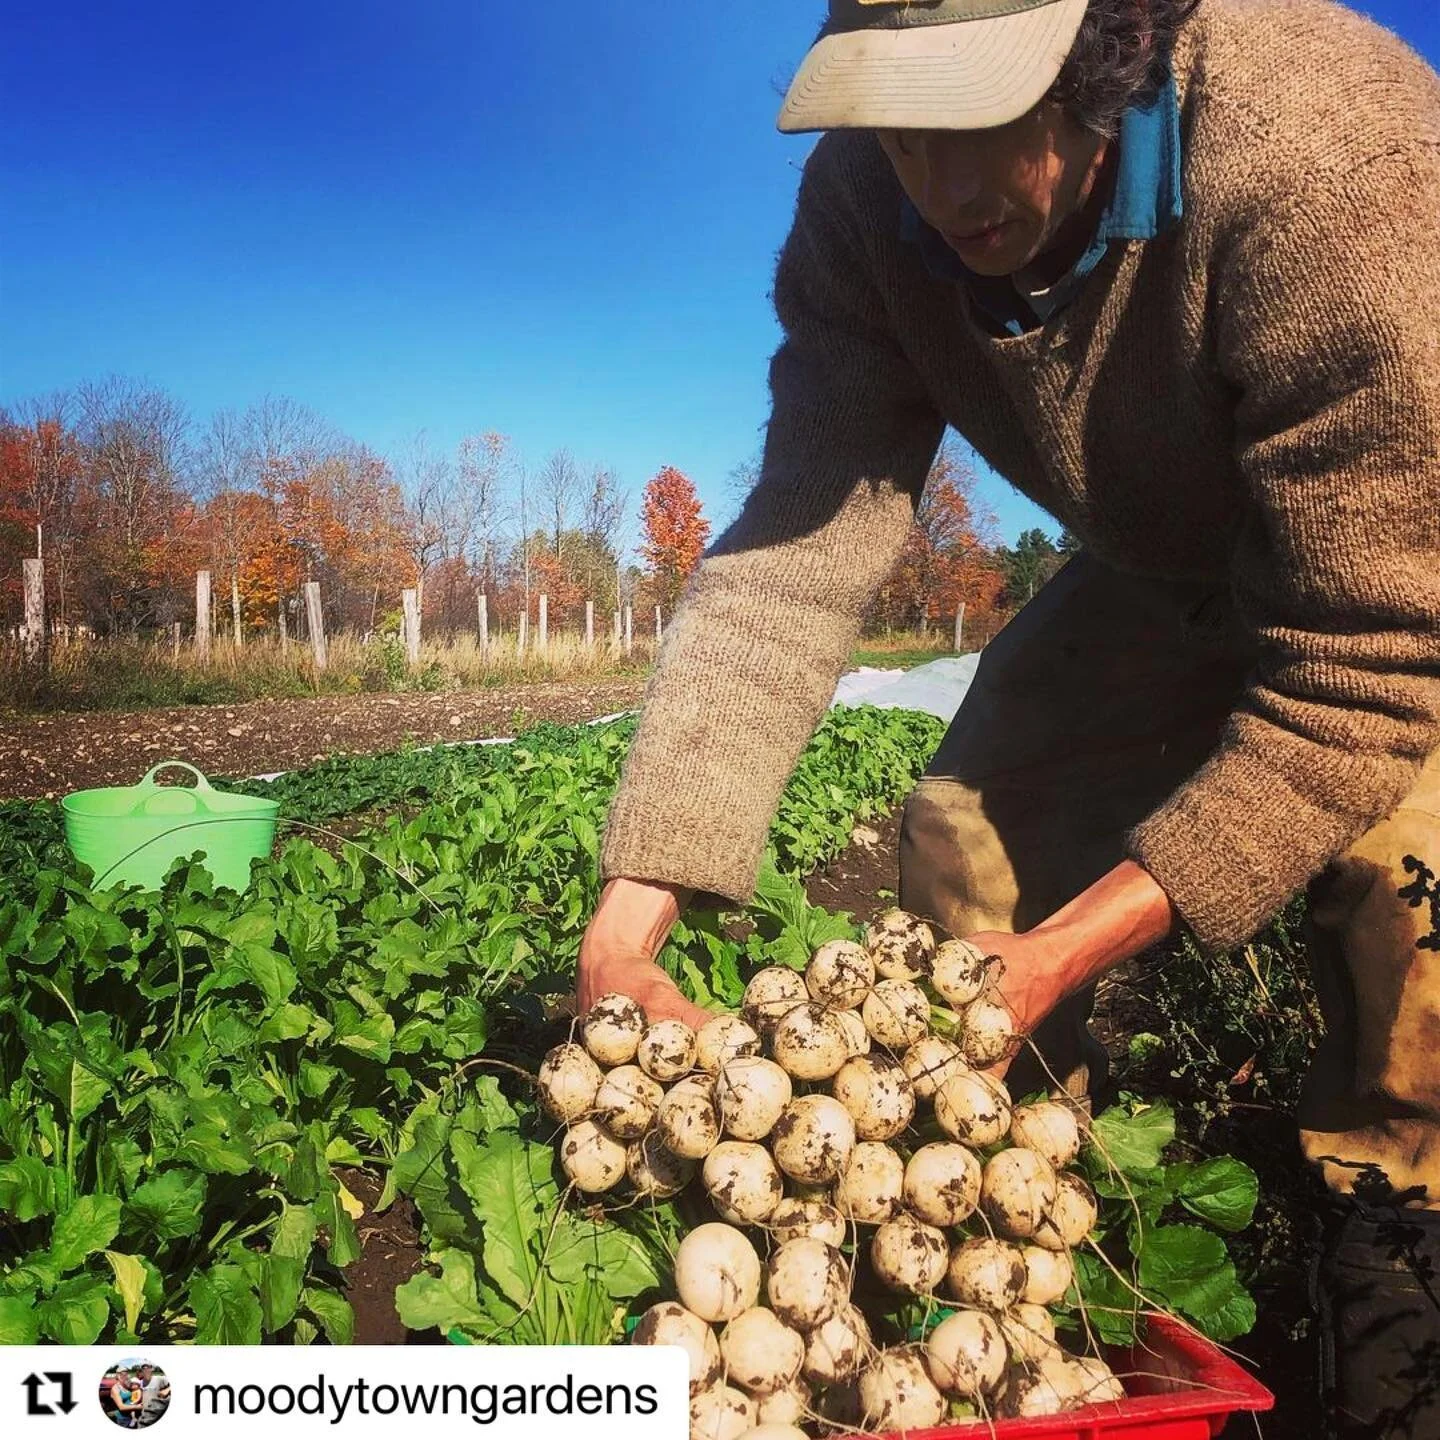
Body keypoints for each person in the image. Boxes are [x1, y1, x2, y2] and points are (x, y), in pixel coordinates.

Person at [578, 0, 1440, 1434]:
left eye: (986, 118)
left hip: (1400, 572)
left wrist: (1083, 936)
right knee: (959, 843)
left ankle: (1397, 1236)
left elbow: (1362, 662)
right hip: (1159, 564)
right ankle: (1012, 1223)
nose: (948, 186)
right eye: (903, 125)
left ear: (1115, 54)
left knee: (1401, 907)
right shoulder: (866, 204)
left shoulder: (1328, 159)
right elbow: (796, 550)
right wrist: (630, 915)